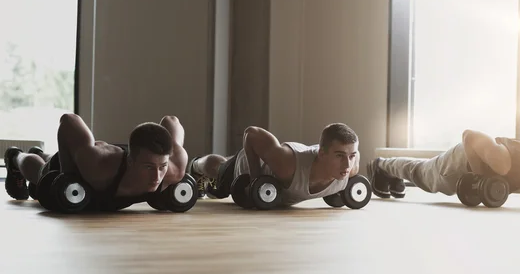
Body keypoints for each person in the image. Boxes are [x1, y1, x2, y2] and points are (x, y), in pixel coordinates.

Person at [4, 113, 188, 211]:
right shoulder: (98, 167)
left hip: (114, 158)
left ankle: (41, 154)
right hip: (83, 164)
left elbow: (171, 120)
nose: (157, 176)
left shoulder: (174, 170)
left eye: (162, 166)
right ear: (131, 162)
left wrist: (170, 146)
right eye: (148, 167)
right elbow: (69, 120)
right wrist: (67, 176)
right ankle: (15, 157)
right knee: (42, 170)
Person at [366, 130, 520, 199]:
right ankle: (381, 165)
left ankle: (387, 169)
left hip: (472, 162)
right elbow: (470, 136)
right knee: (420, 173)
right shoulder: (504, 162)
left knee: (420, 170)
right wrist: (479, 178)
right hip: (457, 165)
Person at [188, 123, 360, 206]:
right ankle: (196, 165)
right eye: (339, 156)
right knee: (219, 169)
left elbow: (351, 159)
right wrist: (255, 178)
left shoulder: (351, 166)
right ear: (322, 153)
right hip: (248, 165)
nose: (347, 163)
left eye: (351, 155)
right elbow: (251, 133)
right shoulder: (288, 165)